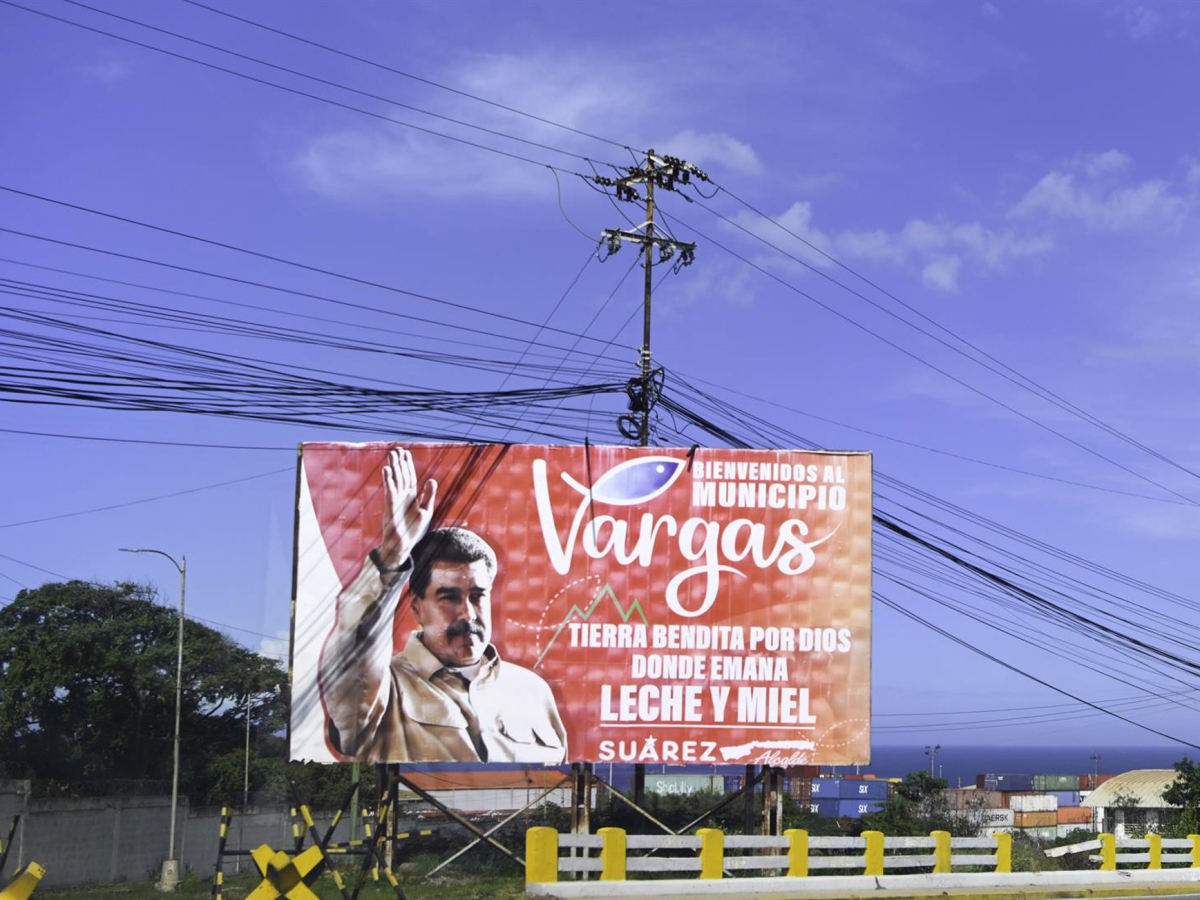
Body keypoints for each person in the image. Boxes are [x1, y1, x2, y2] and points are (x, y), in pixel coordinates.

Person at [318, 448, 567, 763]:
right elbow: (351, 657)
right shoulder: (384, 688)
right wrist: (391, 558)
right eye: (449, 597)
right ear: (416, 607)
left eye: (477, 595)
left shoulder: (531, 690)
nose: (467, 613)